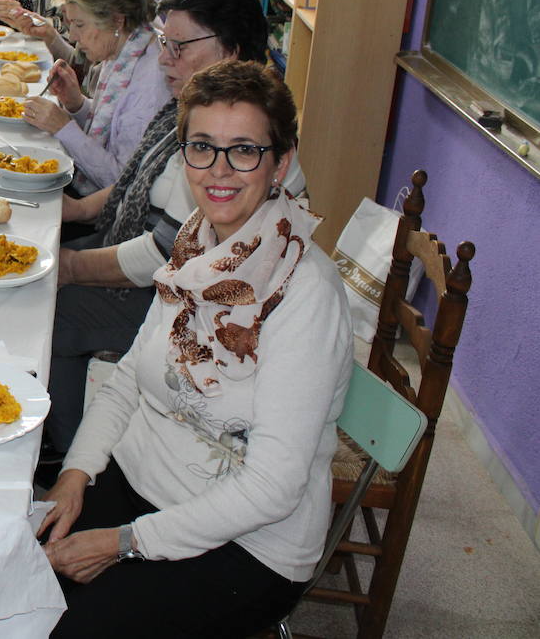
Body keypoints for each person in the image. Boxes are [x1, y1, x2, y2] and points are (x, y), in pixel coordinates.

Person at [38, 60, 353, 638]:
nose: (219, 170)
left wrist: (124, 543)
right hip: (143, 482)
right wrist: (75, 475)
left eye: (244, 150)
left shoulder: (305, 293)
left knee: (66, 631)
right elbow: (131, 376)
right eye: (202, 147)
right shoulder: (195, 244)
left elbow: (273, 488)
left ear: (281, 162)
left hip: (249, 543)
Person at [45, 0, 306, 451]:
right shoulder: (193, 107)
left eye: (180, 47)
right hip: (168, 273)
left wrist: (68, 266)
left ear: (232, 51)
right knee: (33, 262)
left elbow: (163, 254)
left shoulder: (233, 143)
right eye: (166, 43)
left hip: (210, 307)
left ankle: (64, 451)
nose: (165, 58)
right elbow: (136, 183)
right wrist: (79, 210)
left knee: (52, 311)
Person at [22, 0, 169, 191]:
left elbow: (121, 182)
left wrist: (63, 128)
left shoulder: (151, 81)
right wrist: (76, 103)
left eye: (80, 25)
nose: (73, 38)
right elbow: (114, 128)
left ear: (117, 21)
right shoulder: (127, 49)